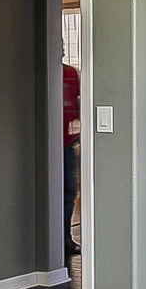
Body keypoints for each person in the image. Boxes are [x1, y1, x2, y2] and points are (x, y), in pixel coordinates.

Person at [63, 62, 81, 258]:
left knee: (69, 191)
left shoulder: (69, 73)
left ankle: (65, 240)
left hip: (66, 143)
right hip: (45, 142)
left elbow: (77, 103)